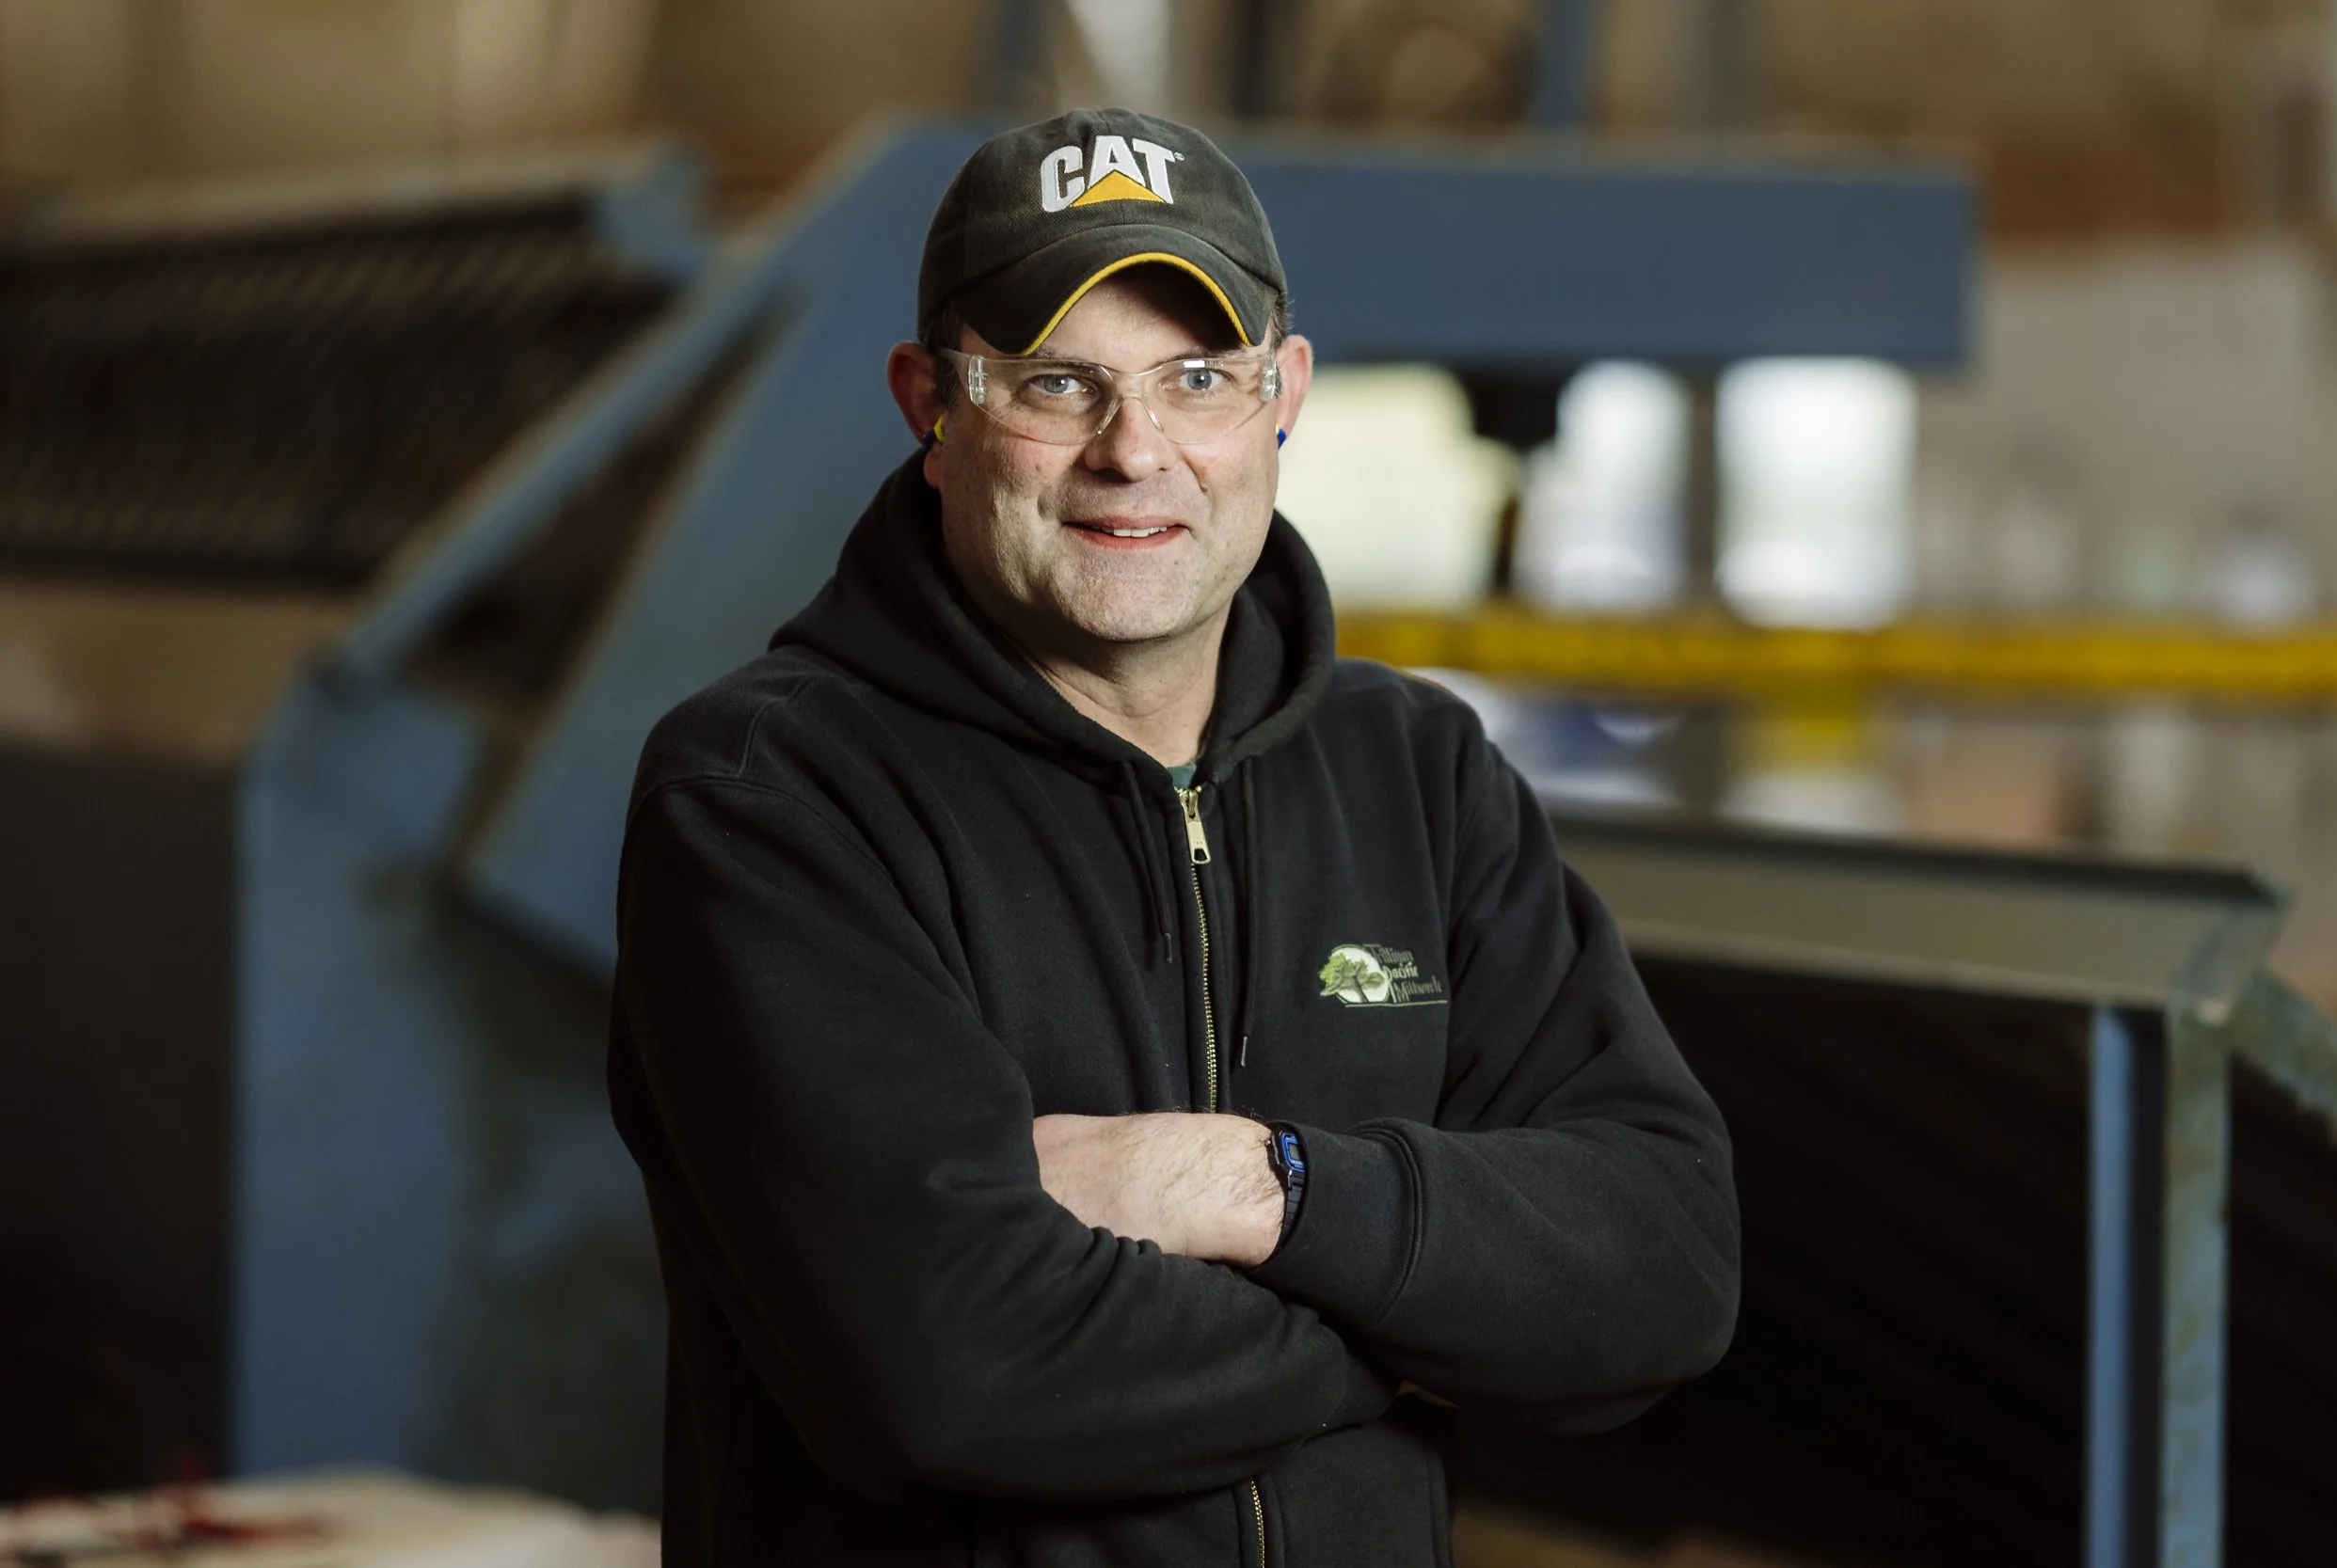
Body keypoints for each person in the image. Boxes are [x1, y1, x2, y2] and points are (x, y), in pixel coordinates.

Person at [610, 107, 1739, 1567]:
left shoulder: (1417, 773)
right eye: (1056, 382)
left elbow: (1667, 1263)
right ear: (931, 406)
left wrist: (1263, 1185)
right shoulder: (772, 795)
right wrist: (1417, 1331)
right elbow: (952, 1365)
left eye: (1198, 379)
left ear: (1284, 396)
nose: (1134, 450)